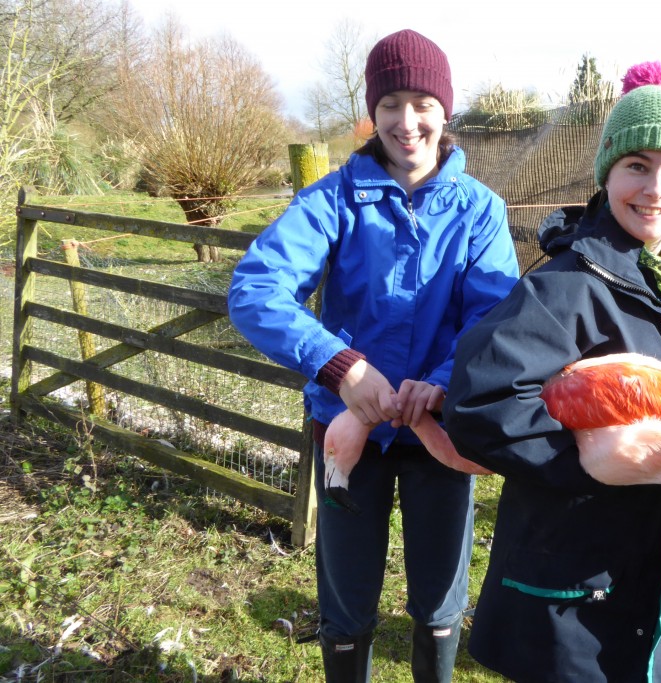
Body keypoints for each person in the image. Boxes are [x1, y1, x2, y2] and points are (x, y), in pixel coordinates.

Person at [442, 61, 661, 683]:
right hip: (568, 590)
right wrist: (588, 458)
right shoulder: (563, 284)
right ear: (608, 172)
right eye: (637, 166)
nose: (656, 189)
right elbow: (478, 403)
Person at [227, 29, 520, 683]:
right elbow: (254, 289)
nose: (407, 121)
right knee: (347, 595)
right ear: (372, 109)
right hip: (345, 433)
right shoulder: (334, 198)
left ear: (446, 110)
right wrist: (341, 366)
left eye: (422, 102)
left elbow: (492, 317)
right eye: (391, 102)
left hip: (440, 433)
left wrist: (441, 382)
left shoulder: (479, 212)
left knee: (440, 595)